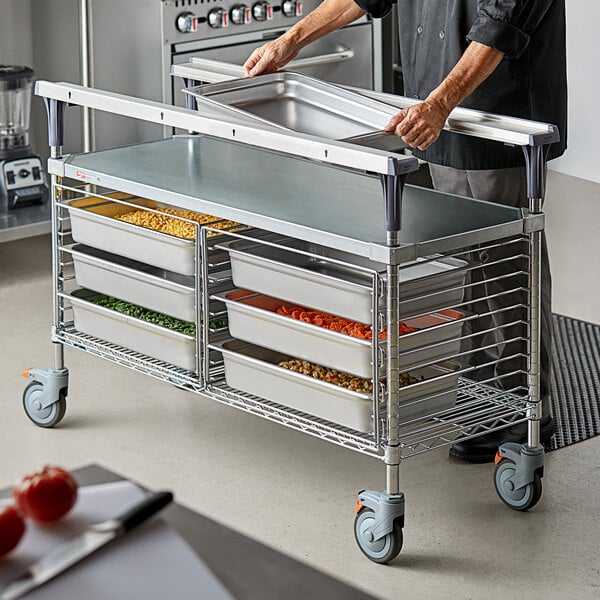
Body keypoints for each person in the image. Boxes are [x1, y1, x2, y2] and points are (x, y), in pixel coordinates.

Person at [244, 0, 567, 462]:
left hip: (497, 110)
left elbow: (502, 22)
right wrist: (288, 42)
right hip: (438, 110)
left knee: (507, 259)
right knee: (468, 258)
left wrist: (440, 102)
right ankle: (481, 396)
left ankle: (525, 406)